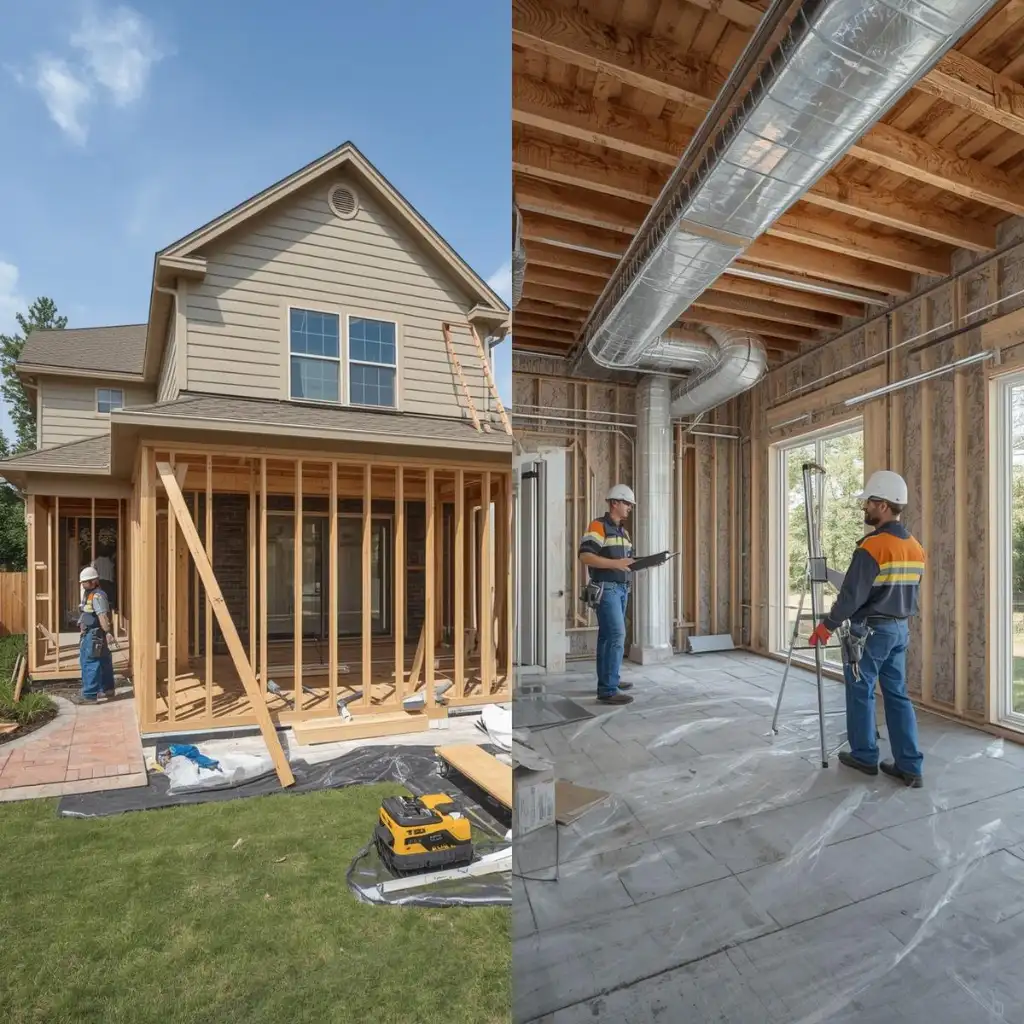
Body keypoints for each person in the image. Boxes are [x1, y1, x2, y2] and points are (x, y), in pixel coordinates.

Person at [809, 469, 926, 788]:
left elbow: (851, 596)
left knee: (860, 690)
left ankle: (864, 755)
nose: (866, 508)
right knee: (898, 695)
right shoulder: (915, 547)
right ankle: (910, 766)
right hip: (900, 630)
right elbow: (904, 590)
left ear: (885, 505)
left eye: (870, 502)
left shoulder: (872, 547)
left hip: (871, 632)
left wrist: (826, 625)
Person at [578, 484, 636, 705]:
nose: (629, 508)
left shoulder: (623, 531)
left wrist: (638, 563)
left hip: (621, 589)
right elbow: (585, 556)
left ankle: (610, 679)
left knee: (607, 638)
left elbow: (623, 562)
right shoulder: (598, 526)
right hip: (607, 588)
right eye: (627, 503)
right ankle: (608, 690)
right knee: (616, 637)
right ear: (615, 503)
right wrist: (616, 563)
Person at [78, 566, 116, 703]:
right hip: (92, 633)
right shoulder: (88, 593)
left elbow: (102, 616)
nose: (83, 584)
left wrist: (107, 632)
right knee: (104, 661)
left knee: (90, 662)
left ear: (94, 581)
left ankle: (90, 694)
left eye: (85, 582)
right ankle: (107, 689)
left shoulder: (97, 596)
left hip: (95, 635)